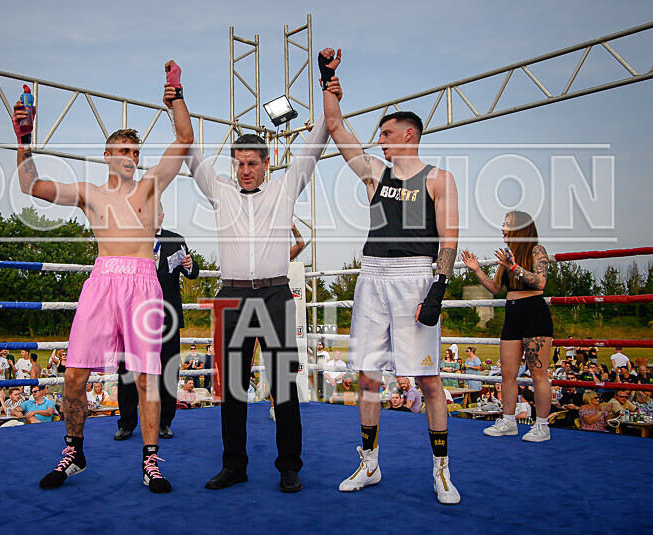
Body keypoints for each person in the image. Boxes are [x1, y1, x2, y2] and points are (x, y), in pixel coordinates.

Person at [14, 61, 192, 494]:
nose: (131, 156)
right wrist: (23, 143)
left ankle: (151, 461)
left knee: (147, 378)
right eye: (123, 150)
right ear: (107, 155)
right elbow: (31, 186)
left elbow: (184, 139)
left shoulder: (150, 186)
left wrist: (176, 95)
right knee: (74, 376)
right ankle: (74, 452)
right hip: (102, 282)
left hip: (143, 282)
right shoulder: (89, 193)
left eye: (136, 151)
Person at [182, 51, 329, 494]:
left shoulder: (285, 188)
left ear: (267, 162)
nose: (245, 170)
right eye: (239, 163)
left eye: (253, 163)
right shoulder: (220, 192)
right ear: (234, 165)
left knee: (283, 385)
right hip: (232, 296)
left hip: (275, 295)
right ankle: (234, 465)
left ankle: (289, 466)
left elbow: (319, 138)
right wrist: (177, 98)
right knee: (231, 388)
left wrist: (327, 82)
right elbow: (188, 147)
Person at [322, 49, 460, 503]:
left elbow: (450, 238)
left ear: (409, 134)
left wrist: (439, 289)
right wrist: (327, 80)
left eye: (386, 133)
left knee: (429, 381)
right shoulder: (375, 175)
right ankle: (369, 462)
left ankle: (441, 470)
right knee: (367, 378)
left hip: (416, 276)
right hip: (373, 275)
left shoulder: (438, 178)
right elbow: (337, 128)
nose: (380, 141)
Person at [462, 210, 553, 442]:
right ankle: (509, 421)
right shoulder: (507, 255)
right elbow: (495, 288)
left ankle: (542, 426)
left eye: (507, 224)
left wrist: (514, 267)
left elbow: (540, 282)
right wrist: (477, 270)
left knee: (538, 374)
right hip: (512, 314)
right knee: (508, 373)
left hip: (534, 313)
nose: (503, 228)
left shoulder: (536, 250)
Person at [115, 208, 200, 441]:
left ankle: (164, 422)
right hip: (135, 317)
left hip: (167, 316)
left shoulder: (175, 239)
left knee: (168, 370)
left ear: (162, 216)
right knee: (128, 370)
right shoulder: (131, 240)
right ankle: (127, 423)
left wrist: (189, 264)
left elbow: (192, 273)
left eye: (157, 212)